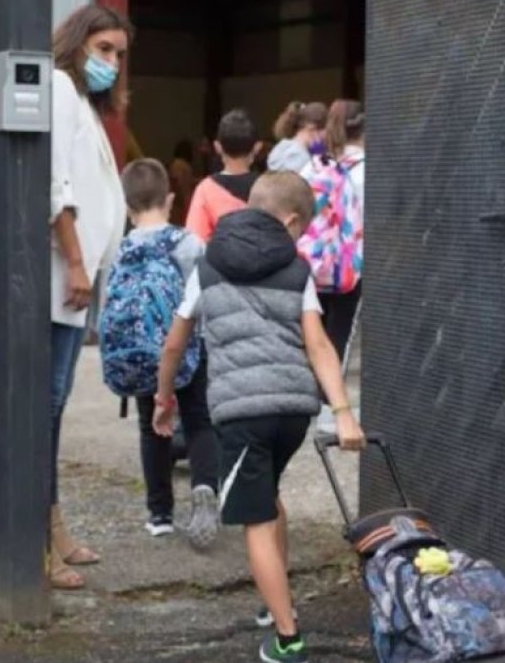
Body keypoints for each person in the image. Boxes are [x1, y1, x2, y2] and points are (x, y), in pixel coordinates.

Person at [152, 172, 365, 663]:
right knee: (269, 499)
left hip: (242, 411)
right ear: (290, 221)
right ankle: (277, 605)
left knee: (255, 521)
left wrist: (165, 398)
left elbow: (174, 343)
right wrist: (343, 411)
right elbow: (318, 343)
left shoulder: (207, 266)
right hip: (293, 409)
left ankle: (288, 639)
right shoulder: (295, 269)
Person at [47, 4, 132, 591]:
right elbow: (57, 187)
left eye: (119, 54)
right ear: (77, 44)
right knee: (43, 412)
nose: (112, 62)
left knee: (53, 412)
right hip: (59, 280)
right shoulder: (56, 88)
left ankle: (53, 530)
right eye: (104, 49)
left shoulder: (85, 105)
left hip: (77, 285)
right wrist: (77, 262)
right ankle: (36, 547)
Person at [109, 158, 221, 549]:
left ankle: (159, 515)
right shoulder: (188, 242)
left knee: (151, 426)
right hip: (189, 344)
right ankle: (205, 486)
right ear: (170, 199)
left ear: (127, 206)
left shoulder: (122, 247)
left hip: (143, 354)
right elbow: (206, 293)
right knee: (200, 421)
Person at [300, 99, 365, 365]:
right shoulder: (370, 170)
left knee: (313, 331)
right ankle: (331, 393)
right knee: (341, 334)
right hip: (351, 267)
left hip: (314, 263)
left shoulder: (313, 167)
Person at [185, 110, 260, 242]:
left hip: (220, 260)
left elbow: (195, 240)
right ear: (257, 147)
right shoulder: (269, 187)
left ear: (217, 147)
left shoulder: (205, 189)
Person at [268, 101, 328, 173]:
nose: (326, 138)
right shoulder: (301, 159)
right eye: (326, 131)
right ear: (312, 128)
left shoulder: (281, 146)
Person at [168, 139, 197, 226]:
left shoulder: (175, 164)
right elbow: (180, 183)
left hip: (176, 203)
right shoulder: (183, 166)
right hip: (180, 203)